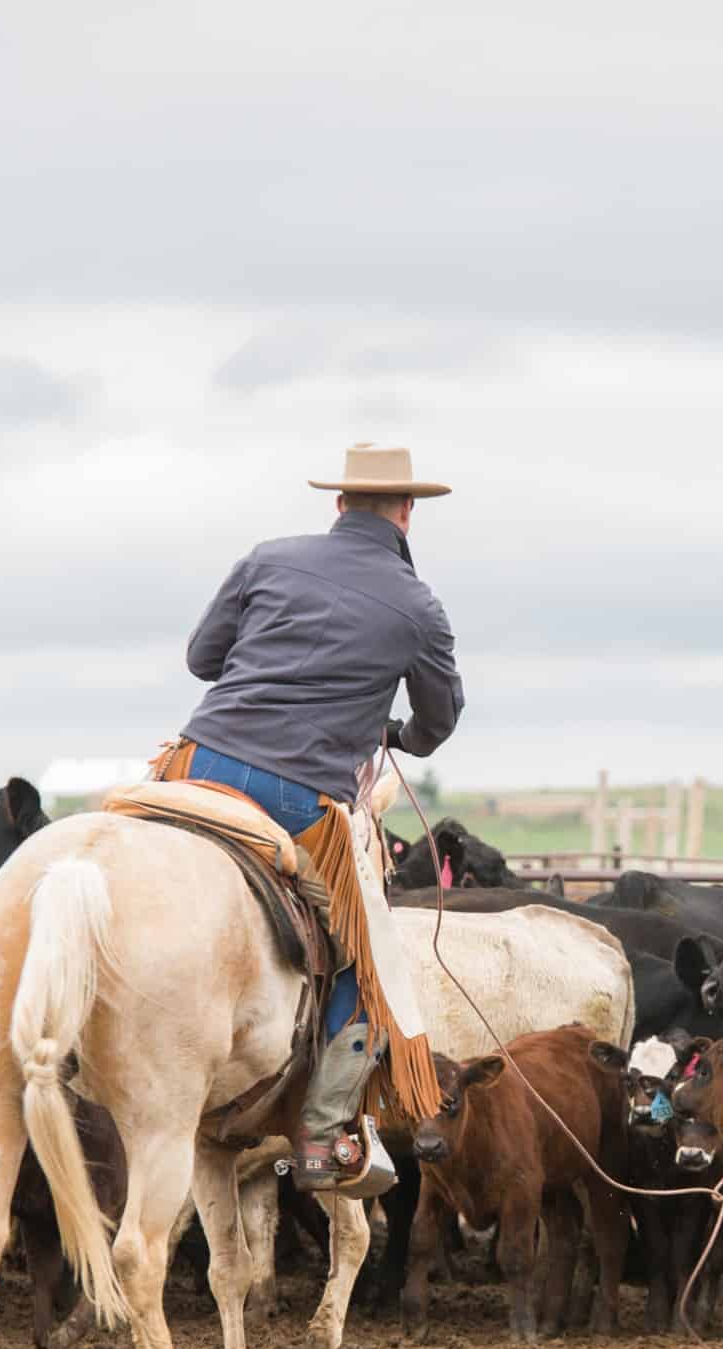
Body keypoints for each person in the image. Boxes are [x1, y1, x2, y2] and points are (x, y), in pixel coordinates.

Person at [175, 443, 464, 1193]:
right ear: (407, 513)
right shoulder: (418, 607)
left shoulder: (266, 558)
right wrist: (396, 734)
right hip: (299, 799)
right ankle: (324, 1131)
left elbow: (203, 660)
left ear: (339, 504)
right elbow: (439, 721)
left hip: (194, 766)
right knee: (370, 964)